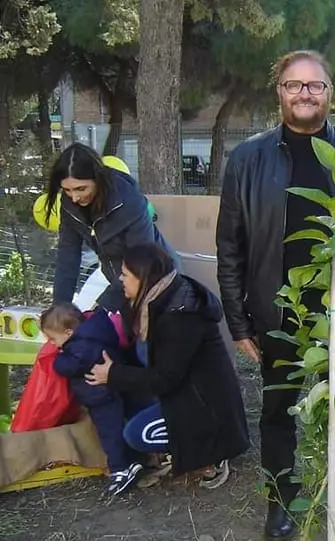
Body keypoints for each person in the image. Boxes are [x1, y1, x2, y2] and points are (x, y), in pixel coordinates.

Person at [216, 50, 335, 541]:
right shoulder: (249, 159)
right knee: (277, 411)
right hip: (279, 310)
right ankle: (281, 501)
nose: (304, 94)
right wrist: (239, 321)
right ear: (280, 93)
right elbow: (229, 245)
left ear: (329, 93)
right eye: (294, 85)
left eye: (314, 86)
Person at [85, 244, 250, 491]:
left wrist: (113, 373)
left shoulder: (180, 316)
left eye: (125, 274)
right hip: (188, 395)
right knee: (127, 398)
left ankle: (211, 454)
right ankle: (189, 447)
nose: (121, 280)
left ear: (143, 278)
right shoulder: (161, 297)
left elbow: (164, 379)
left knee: (137, 434)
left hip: (209, 410)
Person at [47, 143, 180, 311]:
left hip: (157, 281)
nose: (74, 197)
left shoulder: (129, 202)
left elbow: (141, 263)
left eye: (81, 188)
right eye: (67, 190)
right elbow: (68, 257)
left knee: (141, 335)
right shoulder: (69, 206)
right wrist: (59, 308)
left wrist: (102, 307)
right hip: (122, 283)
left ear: (98, 179)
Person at [41, 302, 144, 495]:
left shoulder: (81, 346)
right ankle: (132, 461)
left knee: (109, 434)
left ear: (68, 332)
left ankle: (120, 471)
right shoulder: (91, 336)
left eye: (53, 339)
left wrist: (57, 361)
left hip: (102, 398)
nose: (52, 344)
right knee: (118, 428)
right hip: (107, 393)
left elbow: (71, 366)